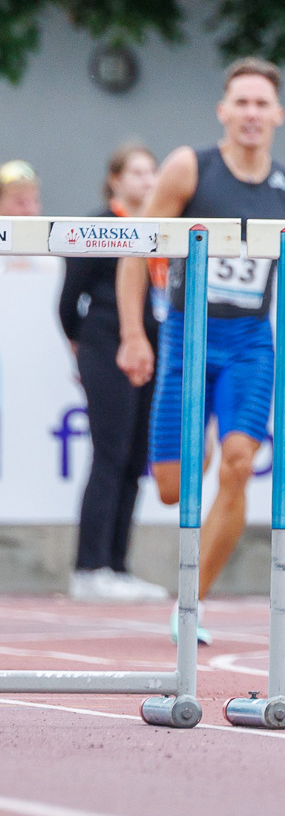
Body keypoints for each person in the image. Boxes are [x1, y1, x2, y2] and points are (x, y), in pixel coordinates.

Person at [119, 59, 285, 644]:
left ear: (278, 114)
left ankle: (191, 603)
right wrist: (135, 334)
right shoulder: (189, 168)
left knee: (239, 465)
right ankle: (195, 448)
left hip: (252, 344)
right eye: (243, 103)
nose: (252, 114)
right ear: (224, 110)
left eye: (263, 104)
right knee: (173, 485)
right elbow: (135, 251)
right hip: (187, 335)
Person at [58, 143, 169, 603]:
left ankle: (117, 566)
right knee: (109, 452)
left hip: (154, 349)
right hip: (106, 347)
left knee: (134, 458)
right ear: (115, 179)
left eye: (151, 172)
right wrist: (82, 351)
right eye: (137, 172)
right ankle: (89, 566)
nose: (147, 180)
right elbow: (68, 302)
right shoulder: (100, 225)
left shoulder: (164, 227)